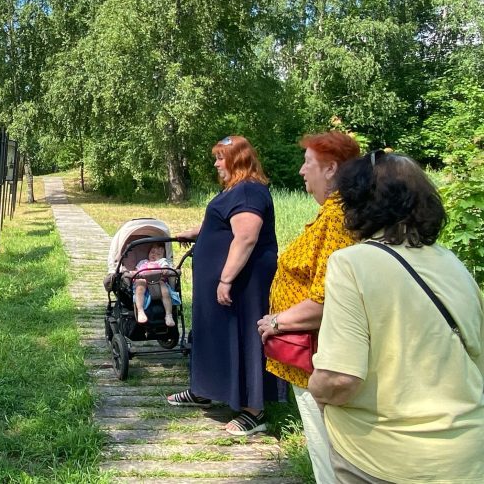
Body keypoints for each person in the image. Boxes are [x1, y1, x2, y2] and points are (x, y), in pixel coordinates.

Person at [309, 152, 484, 482]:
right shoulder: (453, 264)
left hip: (385, 456)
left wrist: (312, 388)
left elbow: (339, 378)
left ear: (356, 201)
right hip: (467, 453)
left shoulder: (351, 264)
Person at [255, 132, 359, 483]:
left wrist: (277, 322)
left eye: (309, 164)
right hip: (312, 358)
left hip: (320, 358)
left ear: (330, 169)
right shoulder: (330, 214)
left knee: (327, 444)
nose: (301, 171)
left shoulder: (336, 220)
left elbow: (328, 299)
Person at [167, 135, 281, 436]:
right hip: (222, 281)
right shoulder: (234, 191)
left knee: (243, 335)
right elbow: (219, 223)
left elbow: (246, 237)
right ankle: (205, 388)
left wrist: (226, 278)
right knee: (212, 332)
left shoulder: (247, 191)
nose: (217, 164)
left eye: (221, 158)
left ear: (238, 160)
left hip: (244, 282)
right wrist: (195, 233)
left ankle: (253, 411)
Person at [128, 243, 176, 327]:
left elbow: (166, 268)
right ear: (148, 252)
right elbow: (136, 270)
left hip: (158, 280)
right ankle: (140, 310)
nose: (154, 255)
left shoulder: (162, 261)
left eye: (158, 254)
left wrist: (164, 270)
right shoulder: (143, 262)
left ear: (163, 256)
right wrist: (133, 272)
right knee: (139, 288)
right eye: (152, 252)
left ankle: (169, 314)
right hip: (143, 279)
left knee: (165, 292)